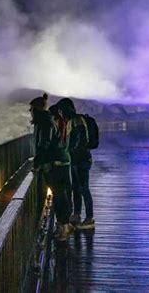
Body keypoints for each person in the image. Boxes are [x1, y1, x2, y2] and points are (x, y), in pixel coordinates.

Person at [30, 94, 74, 241]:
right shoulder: (46, 120)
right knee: (61, 194)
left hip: (56, 163)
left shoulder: (45, 122)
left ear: (36, 109)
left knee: (60, 195)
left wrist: (36, 164)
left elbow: (44, 144)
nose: (30, 111)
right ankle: (63, 225)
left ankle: (65, 227)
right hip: (58, 161)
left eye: (31, 108)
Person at [56, 98, 95, 229]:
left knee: (84, 189)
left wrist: (72, 151)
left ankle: (90, 219)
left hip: (81, 160)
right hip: (75, 160)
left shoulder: (76, 120)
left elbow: (81, 139)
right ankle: (77, 215)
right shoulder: (70, 121)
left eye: (61, 110)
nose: (60, 113)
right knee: (76, 188)